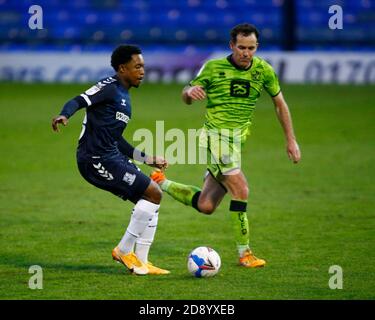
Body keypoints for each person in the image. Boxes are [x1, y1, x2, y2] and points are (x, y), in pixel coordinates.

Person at [151, 23, 301, 268]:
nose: (246, 53)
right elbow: (186, 92)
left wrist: (291, 139)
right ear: (232, 45)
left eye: (251, 48)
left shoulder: (263, 70)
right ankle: (245, 254)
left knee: (206, 205)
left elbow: (280, 104)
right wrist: (190, 93)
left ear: (257, 47)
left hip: (235, 143)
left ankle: (160, 181)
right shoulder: (213, 67)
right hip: (215, 138)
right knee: (241, 189)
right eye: (241, 47)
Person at [52, 45, 170, 275]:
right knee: (153, 193)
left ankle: (142, 262)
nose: (142, 71)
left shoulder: (125, 96)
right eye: (137, 67)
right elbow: (79, 100)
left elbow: (116, 139)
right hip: (95, 159)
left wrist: (146, 158)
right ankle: (124, 250)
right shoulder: (109, 88)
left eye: (143, 66)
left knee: (152, 198)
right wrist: (64, 114)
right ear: (122, 68)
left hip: (110, 156)